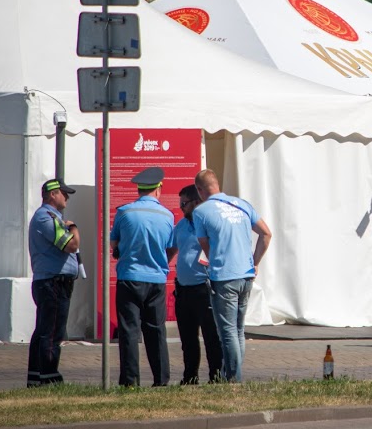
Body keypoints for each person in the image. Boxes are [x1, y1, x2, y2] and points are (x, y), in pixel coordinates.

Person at [193, 169, 272, 383]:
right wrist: (255, 263)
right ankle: (233, 376)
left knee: (227, 331)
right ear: (216, 184)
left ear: (200, 190)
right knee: (238, 329)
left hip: (224, 276)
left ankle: (233, 380)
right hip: (246, 275)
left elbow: (205, 246)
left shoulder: (201, 212)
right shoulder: (242, 205)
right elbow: (266, 234)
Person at [110, 166, 176, 387]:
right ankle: (161, 379)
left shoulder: (124, 212)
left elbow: (114, 243)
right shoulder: (167, 215)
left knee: (129, 330)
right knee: (156, 331)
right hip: (156, 279)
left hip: (129, 277)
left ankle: (130, 381)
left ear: (139, 189)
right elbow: (171, 247)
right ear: (158, 189)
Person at [27, 178, 80, 387]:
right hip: (53, 283)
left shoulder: (50, 217)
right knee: (52, 332)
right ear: (52, 194)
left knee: (44, 330)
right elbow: (72, 245)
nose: (66, 197)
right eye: (63, 193)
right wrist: (74, 227)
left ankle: (36, 378)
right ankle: (49, 378)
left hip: (52, 282)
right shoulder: (46, 217)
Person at [168, 184, 222, 385]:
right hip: (183, 290)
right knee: (188, 339)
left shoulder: (209, 223)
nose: (181, 208)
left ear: (197, 202)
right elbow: (171, 251)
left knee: (211, 337)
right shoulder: (181, 226)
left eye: (185, 203)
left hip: (204, 288)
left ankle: (216, 377)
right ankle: (190, 376)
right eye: (180, 204)